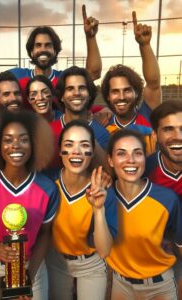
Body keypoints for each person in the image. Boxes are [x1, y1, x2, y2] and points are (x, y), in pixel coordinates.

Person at [0, 110, 60, 300]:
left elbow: (46, 233)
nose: (15, 146)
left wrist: (28, 275)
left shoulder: (47, 189)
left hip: (32, 267)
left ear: (34, 144)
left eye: (23, 139)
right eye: (7, 139)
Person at [106, 129, 182, 300]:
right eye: (121, 153)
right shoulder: (104, 197)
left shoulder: (167, 199)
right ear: (110, 160)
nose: (130, 160)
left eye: (137, 153)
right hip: (121, 285)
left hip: (160, 287)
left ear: (145, 158)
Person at [46, 120, 117, 300]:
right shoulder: (47, 183)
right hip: (56, 261)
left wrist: (98, 209)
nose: (76, 151)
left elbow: (104, 251)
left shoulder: (102, 188)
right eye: (69, 145)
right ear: (60, 150)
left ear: (93, 152)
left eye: (84, 145)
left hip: (90, 264)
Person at [10, 5, 102, 106]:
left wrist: (90, 37)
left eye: (48, 45)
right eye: (38, 45)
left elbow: (94, 73)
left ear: (55, 51)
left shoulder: (64, 79)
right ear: (31, 51)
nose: (43, 49)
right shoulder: (17, 76)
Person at [100, 11, 161, 155]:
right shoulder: (102, 127)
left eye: (127, 90)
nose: (121, 96)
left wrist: (144, 45)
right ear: (108, 96)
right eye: (115, 91)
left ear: (136, 92)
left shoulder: (148, 115)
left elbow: (153, 83)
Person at [145, 100, 182, 298]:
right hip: (159, 253)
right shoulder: (144, 170)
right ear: (155, 135)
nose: (178, 137)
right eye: (168, 129)